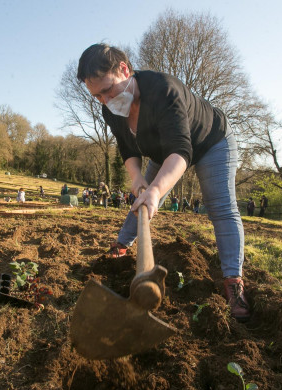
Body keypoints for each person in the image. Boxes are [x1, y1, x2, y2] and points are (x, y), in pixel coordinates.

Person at [77, 43, 249, 320]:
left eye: (108, 90)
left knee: (220, 207)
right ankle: (121, 246)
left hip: (210, 141)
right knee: (141, 199)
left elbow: (181, 151)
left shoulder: (163, 90)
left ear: (124, 69)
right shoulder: (110, 110)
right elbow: (128, 149)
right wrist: (138, 180)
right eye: (97, 96)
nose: (105, 100)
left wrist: (157, 189)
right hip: (161, 149)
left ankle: (234, 281)